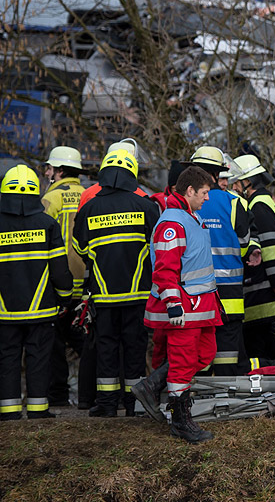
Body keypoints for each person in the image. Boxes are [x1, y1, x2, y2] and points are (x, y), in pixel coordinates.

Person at [72, 146, 161, 416]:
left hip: (104, 295)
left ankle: (108, 405)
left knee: (106, 348)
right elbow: (157, 248)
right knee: (134, 348)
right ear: (132, 174)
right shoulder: (146, 206)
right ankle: (133, 405)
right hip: (137, 295)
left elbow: (80, 247)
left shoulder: (90, 207)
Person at [140, 166, 221, 442]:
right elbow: (165, 269)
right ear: (189, 191)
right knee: (183, 362)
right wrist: (173, 303)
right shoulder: (172, 224)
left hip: (201, 307)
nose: (208, 198)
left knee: (205, 354)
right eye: (205, 193)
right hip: (185, 309)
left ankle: (152, 386)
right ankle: (180, 421)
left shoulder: (189, 217)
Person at [0, 165, 72, 420]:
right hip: (41, 309)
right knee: (39, 357)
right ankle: (38, 409)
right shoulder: (47, 224)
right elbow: (60, 270)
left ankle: (8, 411)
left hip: (4, 313)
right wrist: (65, 297)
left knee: (7, 358)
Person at [190, 146, 259, 375]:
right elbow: (244, 242)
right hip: (229, 291)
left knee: (197, 346)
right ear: (218, 173)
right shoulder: (234, 202)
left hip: (195, 290)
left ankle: (198, 398)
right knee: (227, 348)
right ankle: (226, 396)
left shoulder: (184, 202)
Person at [231, 154, 275, 359]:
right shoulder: (263, 201)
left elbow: (272, 244)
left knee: (258, 344)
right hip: (266, 285)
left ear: (247, 181)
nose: (235, 187)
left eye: (237, 182)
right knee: (265, 341)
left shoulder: (258, 205)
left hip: (264, 287)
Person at [40, 146, 86, 407]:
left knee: (55, 341)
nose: (47, 172)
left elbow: (38, 233)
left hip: (59, 284)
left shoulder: (51, 197)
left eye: (49, 168)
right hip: (88, 282)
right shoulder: (88, 195)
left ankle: (57, 396)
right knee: (86, 340)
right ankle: (91, 393)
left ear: (58, 171)